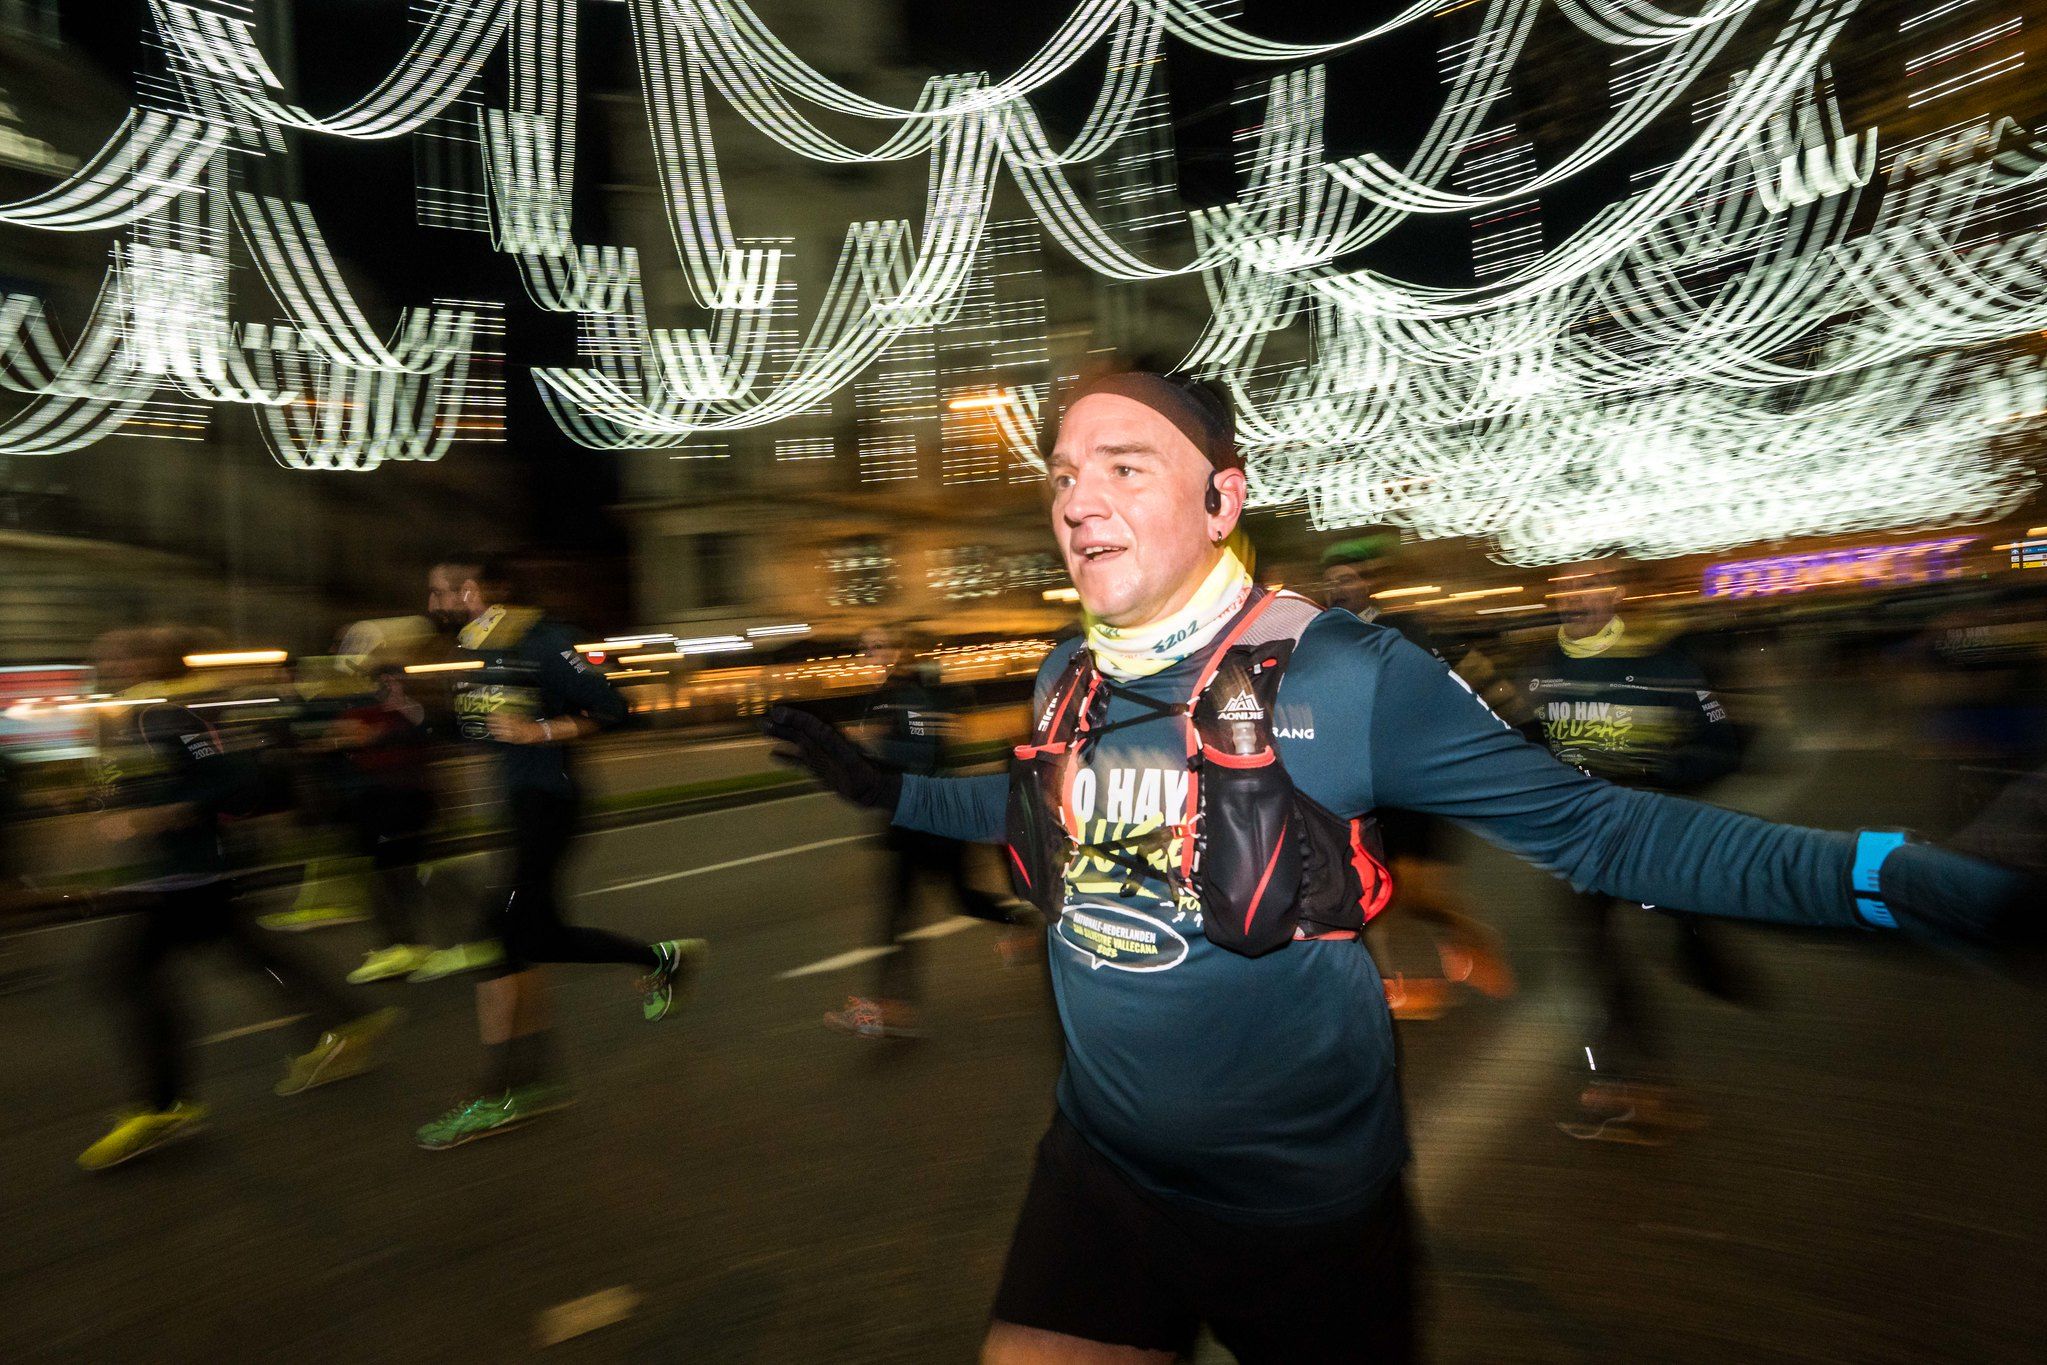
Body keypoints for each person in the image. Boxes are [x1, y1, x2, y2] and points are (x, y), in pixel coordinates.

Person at [765, 369, 2028, 1363]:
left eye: (1124, 466)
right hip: (1097, 1165)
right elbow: (1034, 810)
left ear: (1221, 500)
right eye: (1062, 475)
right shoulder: (1067, 674)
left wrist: (1895, 875)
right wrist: (891, 792)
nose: (1076, 498)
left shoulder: (1344, 673)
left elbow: (1606, 833)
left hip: (1299, 1206)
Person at [78, 628, 398, 1172]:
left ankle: (164, 1106)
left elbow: (230, 780)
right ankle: (348, 1023)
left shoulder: (161, 716)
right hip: (172, 875)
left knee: (127, 974)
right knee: (250, 953)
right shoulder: (138, 714)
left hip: (189, 875)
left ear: (144, 662)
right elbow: (154, 783)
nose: (106, 665)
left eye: (116, 656)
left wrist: (161, 815)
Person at [414, 555, 706, 1150]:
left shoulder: (543, 640)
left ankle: (502, 1093)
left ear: (470, 591)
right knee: (537, 938)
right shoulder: (481, 651)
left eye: (439, 593)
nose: (432, 605)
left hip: (551, 805)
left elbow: (614, 709)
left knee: (497, 935)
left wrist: (540, 732)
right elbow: (473, 726)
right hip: (519, 808)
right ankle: (658, 962)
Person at [1525, 562, 1756, 1140]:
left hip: (1651, 827)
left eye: (1591, 583)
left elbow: (1724, 745)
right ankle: (1631, 1085)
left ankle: (1700, 943)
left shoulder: (1665, 664)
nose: (1577, 596)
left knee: (1673, 930)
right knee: (1594, 953)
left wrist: (1652, 772)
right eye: (1567, 585)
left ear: (1616, 594)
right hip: (1581, 837)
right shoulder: (1544, 668)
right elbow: (1524, 743)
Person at [1320, 535, 1516, 1018]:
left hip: (1415, 780)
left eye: (1348, 579)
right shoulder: (1323, 634)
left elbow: (1454, 684)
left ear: (1369, 584)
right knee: (1365, 884)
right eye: (1331, 582)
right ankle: (1383, 984)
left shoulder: (1403, 631)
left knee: (1418, 891)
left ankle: (1469, 939)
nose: (1339, 589)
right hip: (1362, 782)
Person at [820, 625, 1024, 1040]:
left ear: (900, 651)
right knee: (909, 910)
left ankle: (1023, 925)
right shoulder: (892, 693)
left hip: (930, 818)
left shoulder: (910, 694)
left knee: (943, 903)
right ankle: (891, 1007)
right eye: (866, 647)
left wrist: (870, 747)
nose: (871, 653)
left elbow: (922, 750)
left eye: (880, 645)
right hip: (911, 818)